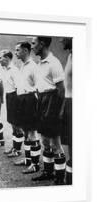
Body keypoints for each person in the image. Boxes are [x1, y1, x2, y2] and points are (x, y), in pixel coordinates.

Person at [31, 36, 66, 184]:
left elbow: (61, 90)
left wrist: (60, 111)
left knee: (55, 142)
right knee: (44, 140)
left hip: (52, 102)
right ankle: (48, 171)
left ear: (42, 44)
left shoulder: (54, 63)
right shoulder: (39, 63)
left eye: (34, 43)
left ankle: (59, 177)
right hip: (42, 101)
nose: (32, 47)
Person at [12, 42, 41, 174]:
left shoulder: (33, 66)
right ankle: (28, 159)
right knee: (26, 132)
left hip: (30, 101)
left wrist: (31, 95)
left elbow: (39, 86)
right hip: (22, 100)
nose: (15, 52)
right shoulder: (22, 66)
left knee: (32, 134)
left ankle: (35, 164)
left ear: (25, 50)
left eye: (17, 50)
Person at [0, 50, 25, 156]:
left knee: (17, 124)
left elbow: (19, 87)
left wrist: (18, 103)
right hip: (9, 96)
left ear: (7, 58)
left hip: (15, 97)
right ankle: (15, 148)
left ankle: (17, 150)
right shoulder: (4, 70)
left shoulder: (14, 70)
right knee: (12, 124)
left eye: (1, 58)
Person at [60, 37, 72, 184]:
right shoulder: (70, 55)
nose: (60, 40)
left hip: (76, 102)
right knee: (69, 143)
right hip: (68, 102)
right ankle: (69, 180)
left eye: (64, 38)